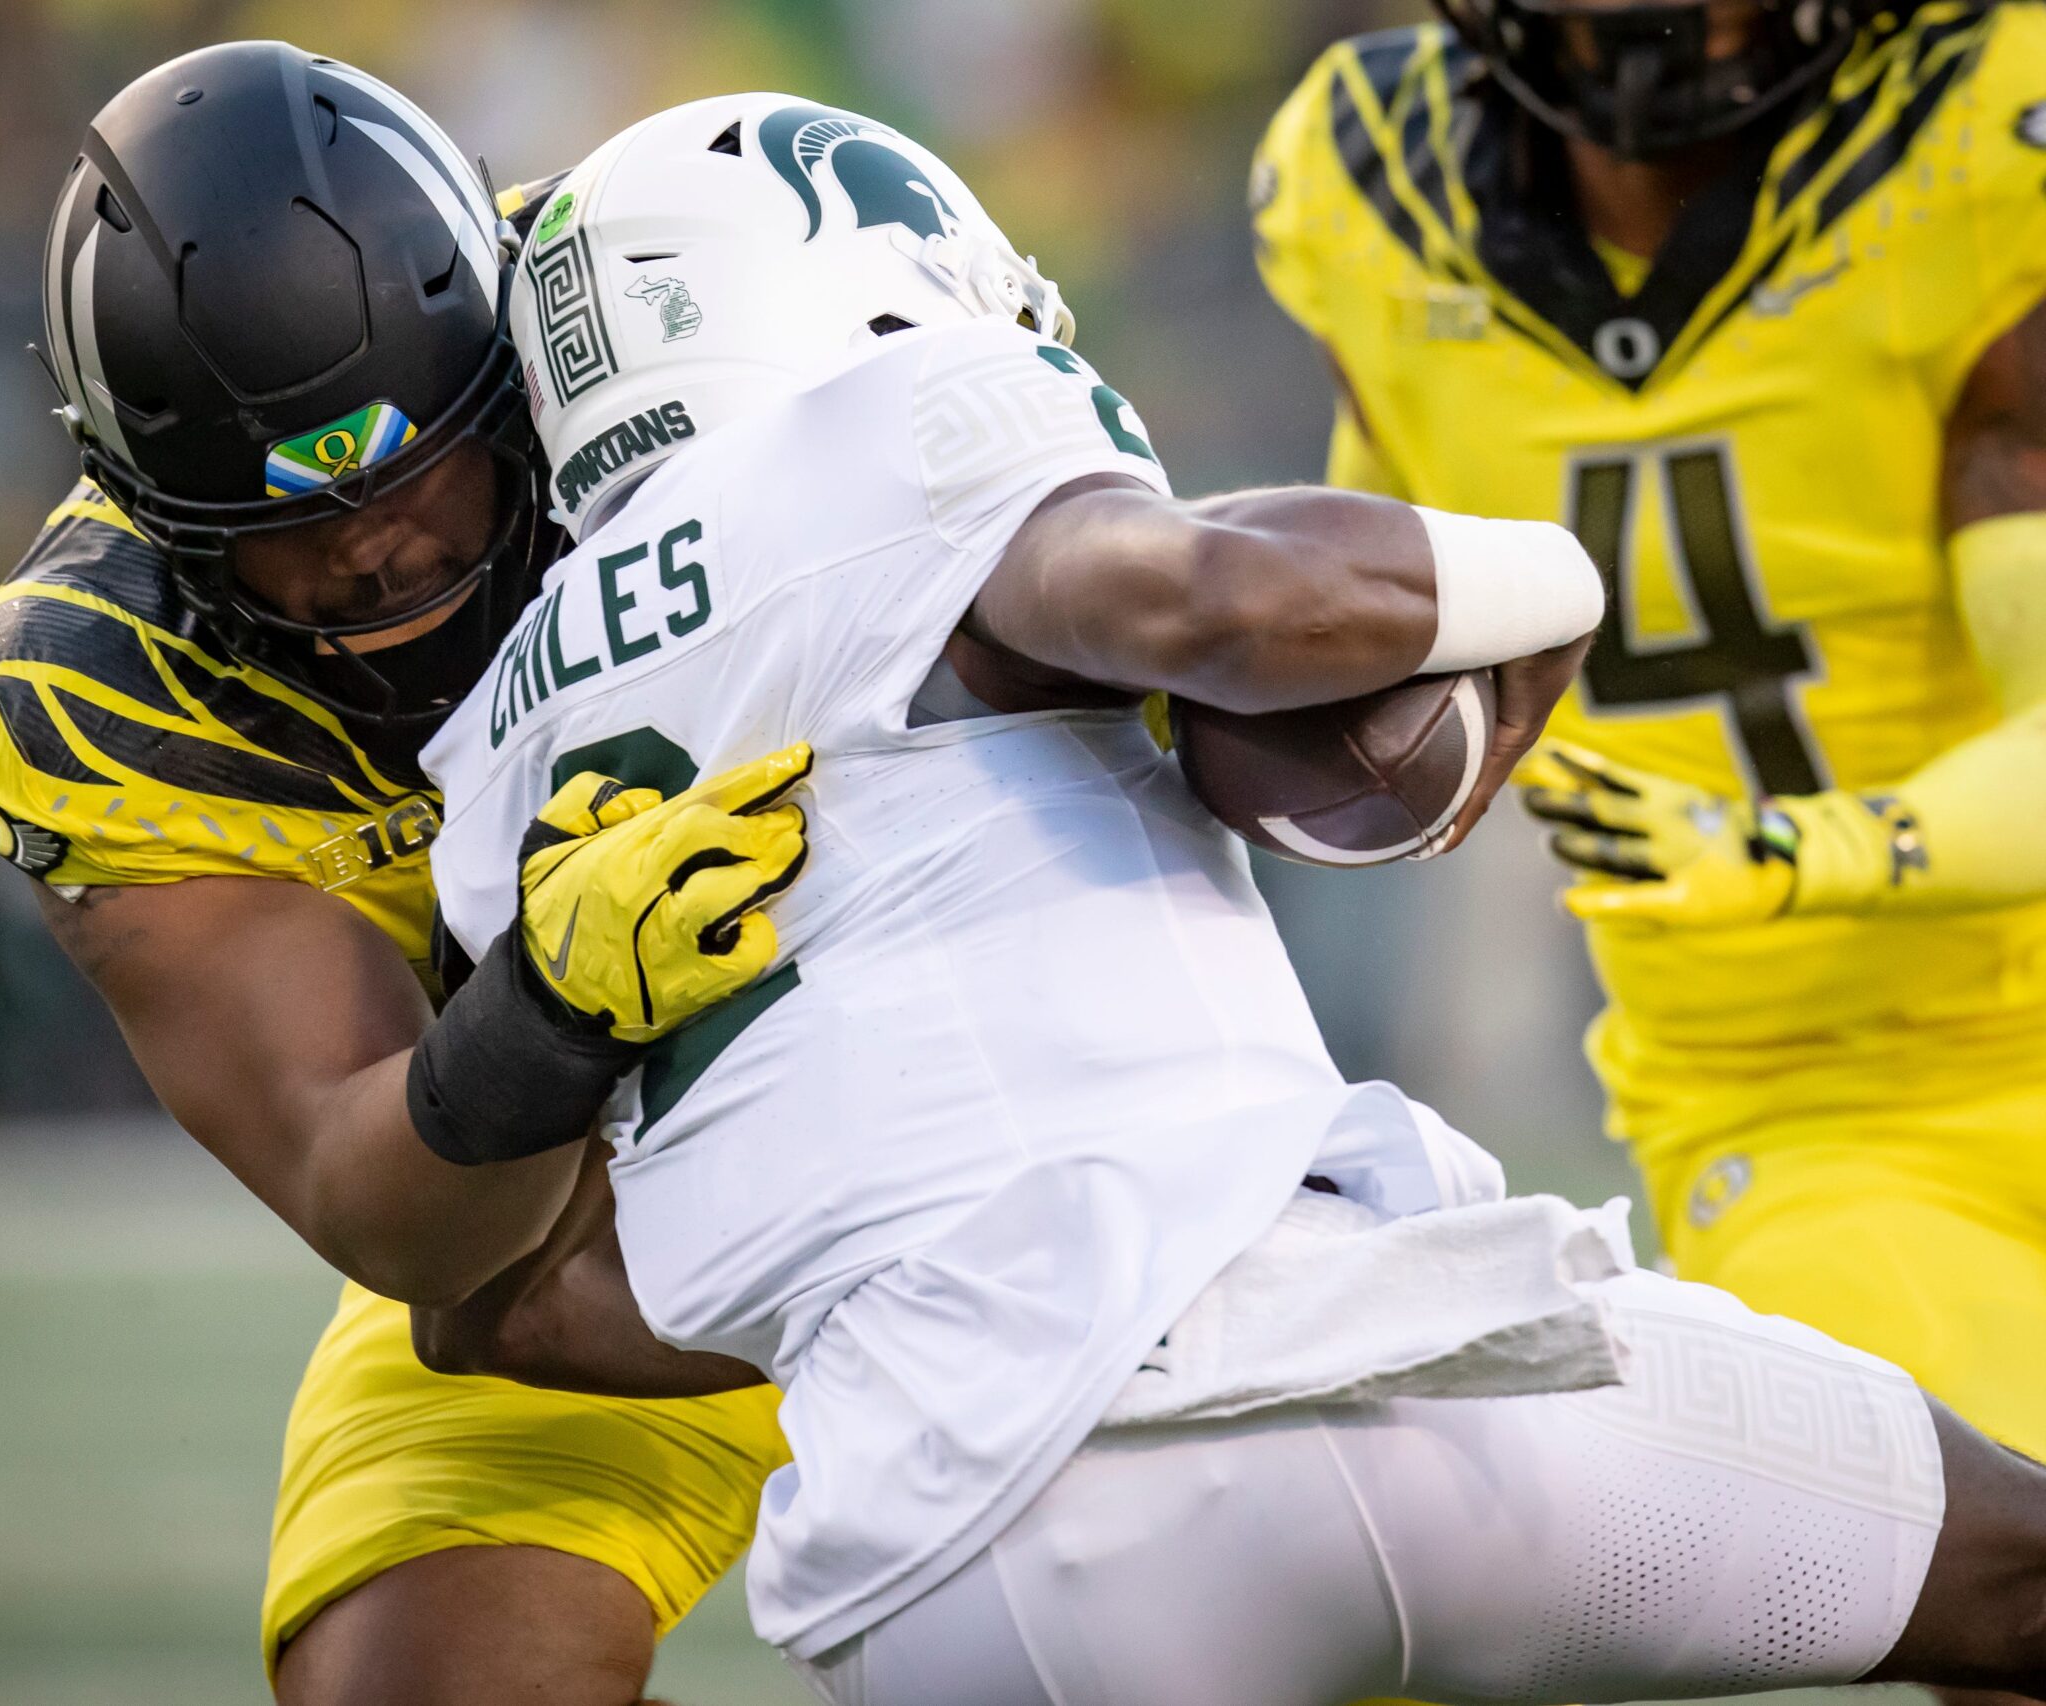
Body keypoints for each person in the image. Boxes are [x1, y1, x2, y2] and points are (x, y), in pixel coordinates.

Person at [418, 90, 2046, 1706]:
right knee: (2017, 1572)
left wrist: (882, 1287)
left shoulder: (487, 757)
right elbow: (1225, 601)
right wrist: (1561, 580)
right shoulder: (886, 428)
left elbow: (508, 1308)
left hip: (920, 1589)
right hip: (1308, 1389)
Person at [0, 43, 804, 1706]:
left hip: (993, 1119)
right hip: (581, 1214)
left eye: (414, 463)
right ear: (157, 520)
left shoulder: (692, 284)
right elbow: (412, 1230)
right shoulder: (87, 695)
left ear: (503, 370)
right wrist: (547, 1010)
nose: (371, 541)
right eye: (286, 515)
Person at [1247, 0, 2046, 1497]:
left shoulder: (1981, 150)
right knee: (2011, 1574)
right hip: (1812, 1106)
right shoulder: (1371, 196)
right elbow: (1352, 640)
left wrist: (1794, 847)